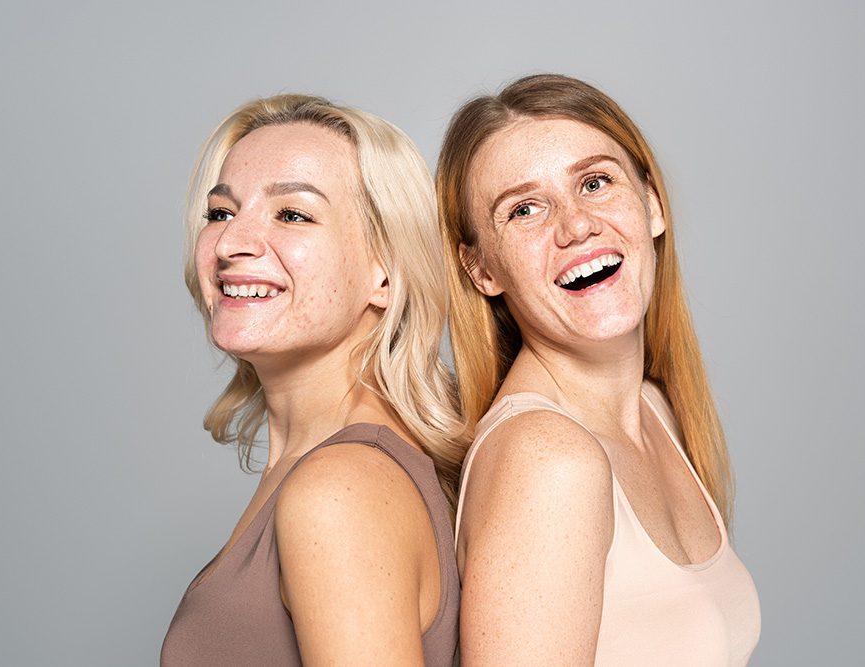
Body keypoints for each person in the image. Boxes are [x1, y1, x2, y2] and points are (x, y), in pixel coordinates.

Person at [436, 74, 761, 665]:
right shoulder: (546, 458)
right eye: (525, 210)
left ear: (652, 204)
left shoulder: (656, 409)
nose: (577, 226)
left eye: (594, 182)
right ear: (481, 270)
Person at [162, 94, 464, 666]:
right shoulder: (323, 470)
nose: (230, 243)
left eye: (292, 215)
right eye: (221, 213)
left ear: (385, 272)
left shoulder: (339, 490)